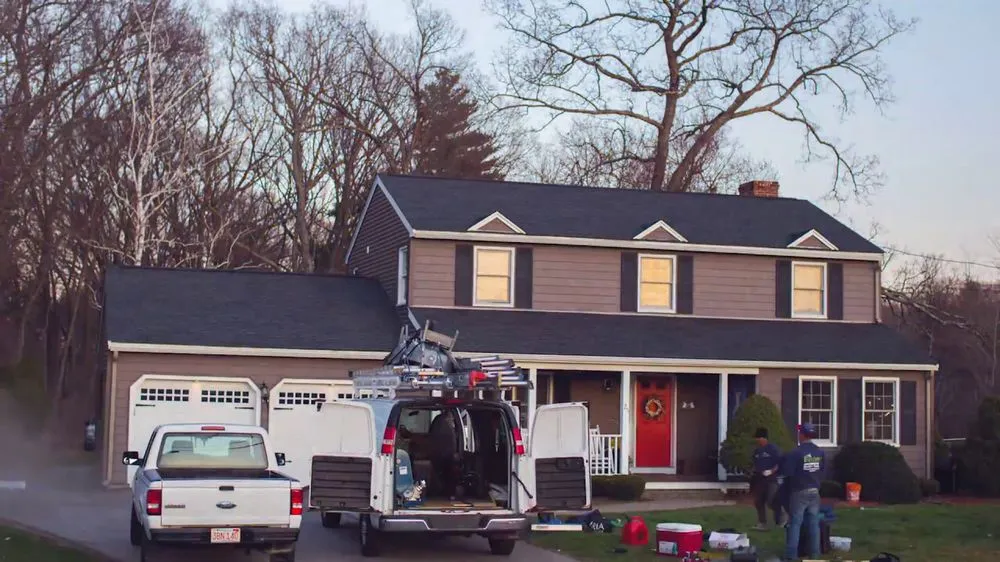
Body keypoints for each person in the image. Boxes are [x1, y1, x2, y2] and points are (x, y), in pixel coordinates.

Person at [781, 422, 826, 561]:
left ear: (802, 435)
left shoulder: (796, 453)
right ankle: (814, 555)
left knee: (795, 523)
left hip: (799, 491)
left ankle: (791, 556)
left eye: (800, 433)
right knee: (813, 523)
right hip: (814, 491)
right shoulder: (819, 452)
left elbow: (787, 473)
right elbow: (822, 471)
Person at [749, 427, 783, 530]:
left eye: (758, 438)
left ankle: (781, 520)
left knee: (771, 500)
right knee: (758, 501)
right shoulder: (757, 451)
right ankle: (762, 523)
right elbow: (754, 463)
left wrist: (771, 471)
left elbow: (780, 463)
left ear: (763, 438)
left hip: (771, 479)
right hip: (759, 479)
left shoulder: (773, 449)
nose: (757, 440)